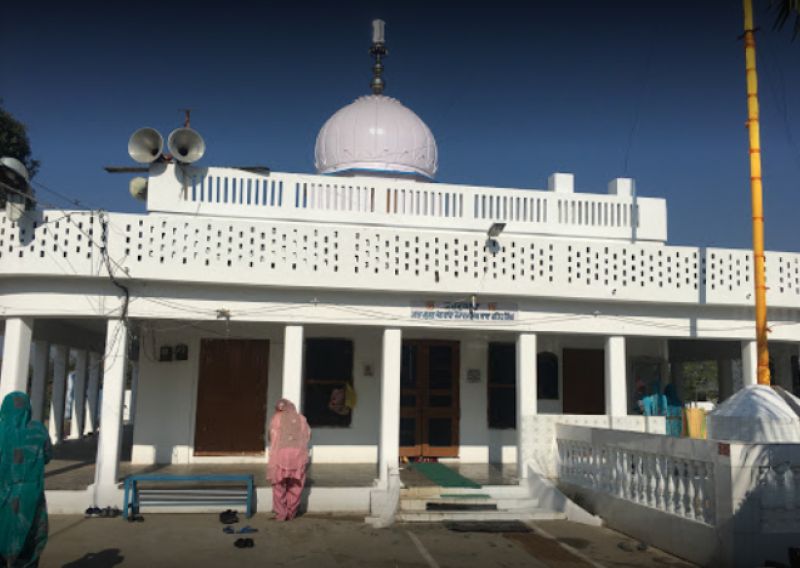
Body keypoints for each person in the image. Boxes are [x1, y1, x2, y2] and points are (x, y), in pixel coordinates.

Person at [0, 391, 52, 567]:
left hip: (3, 495)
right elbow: (47, 456)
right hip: (31, 496)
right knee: (29, 543)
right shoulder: (38, 431)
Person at [268, 399, 310, 521]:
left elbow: (272, 436)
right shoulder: (301, 418)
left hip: (281, 455)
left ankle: (281, 514)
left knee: (278, 485)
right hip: (298, 456)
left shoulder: (277, 418)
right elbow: (308, 435)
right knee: (296, 485)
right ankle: (291, 513)